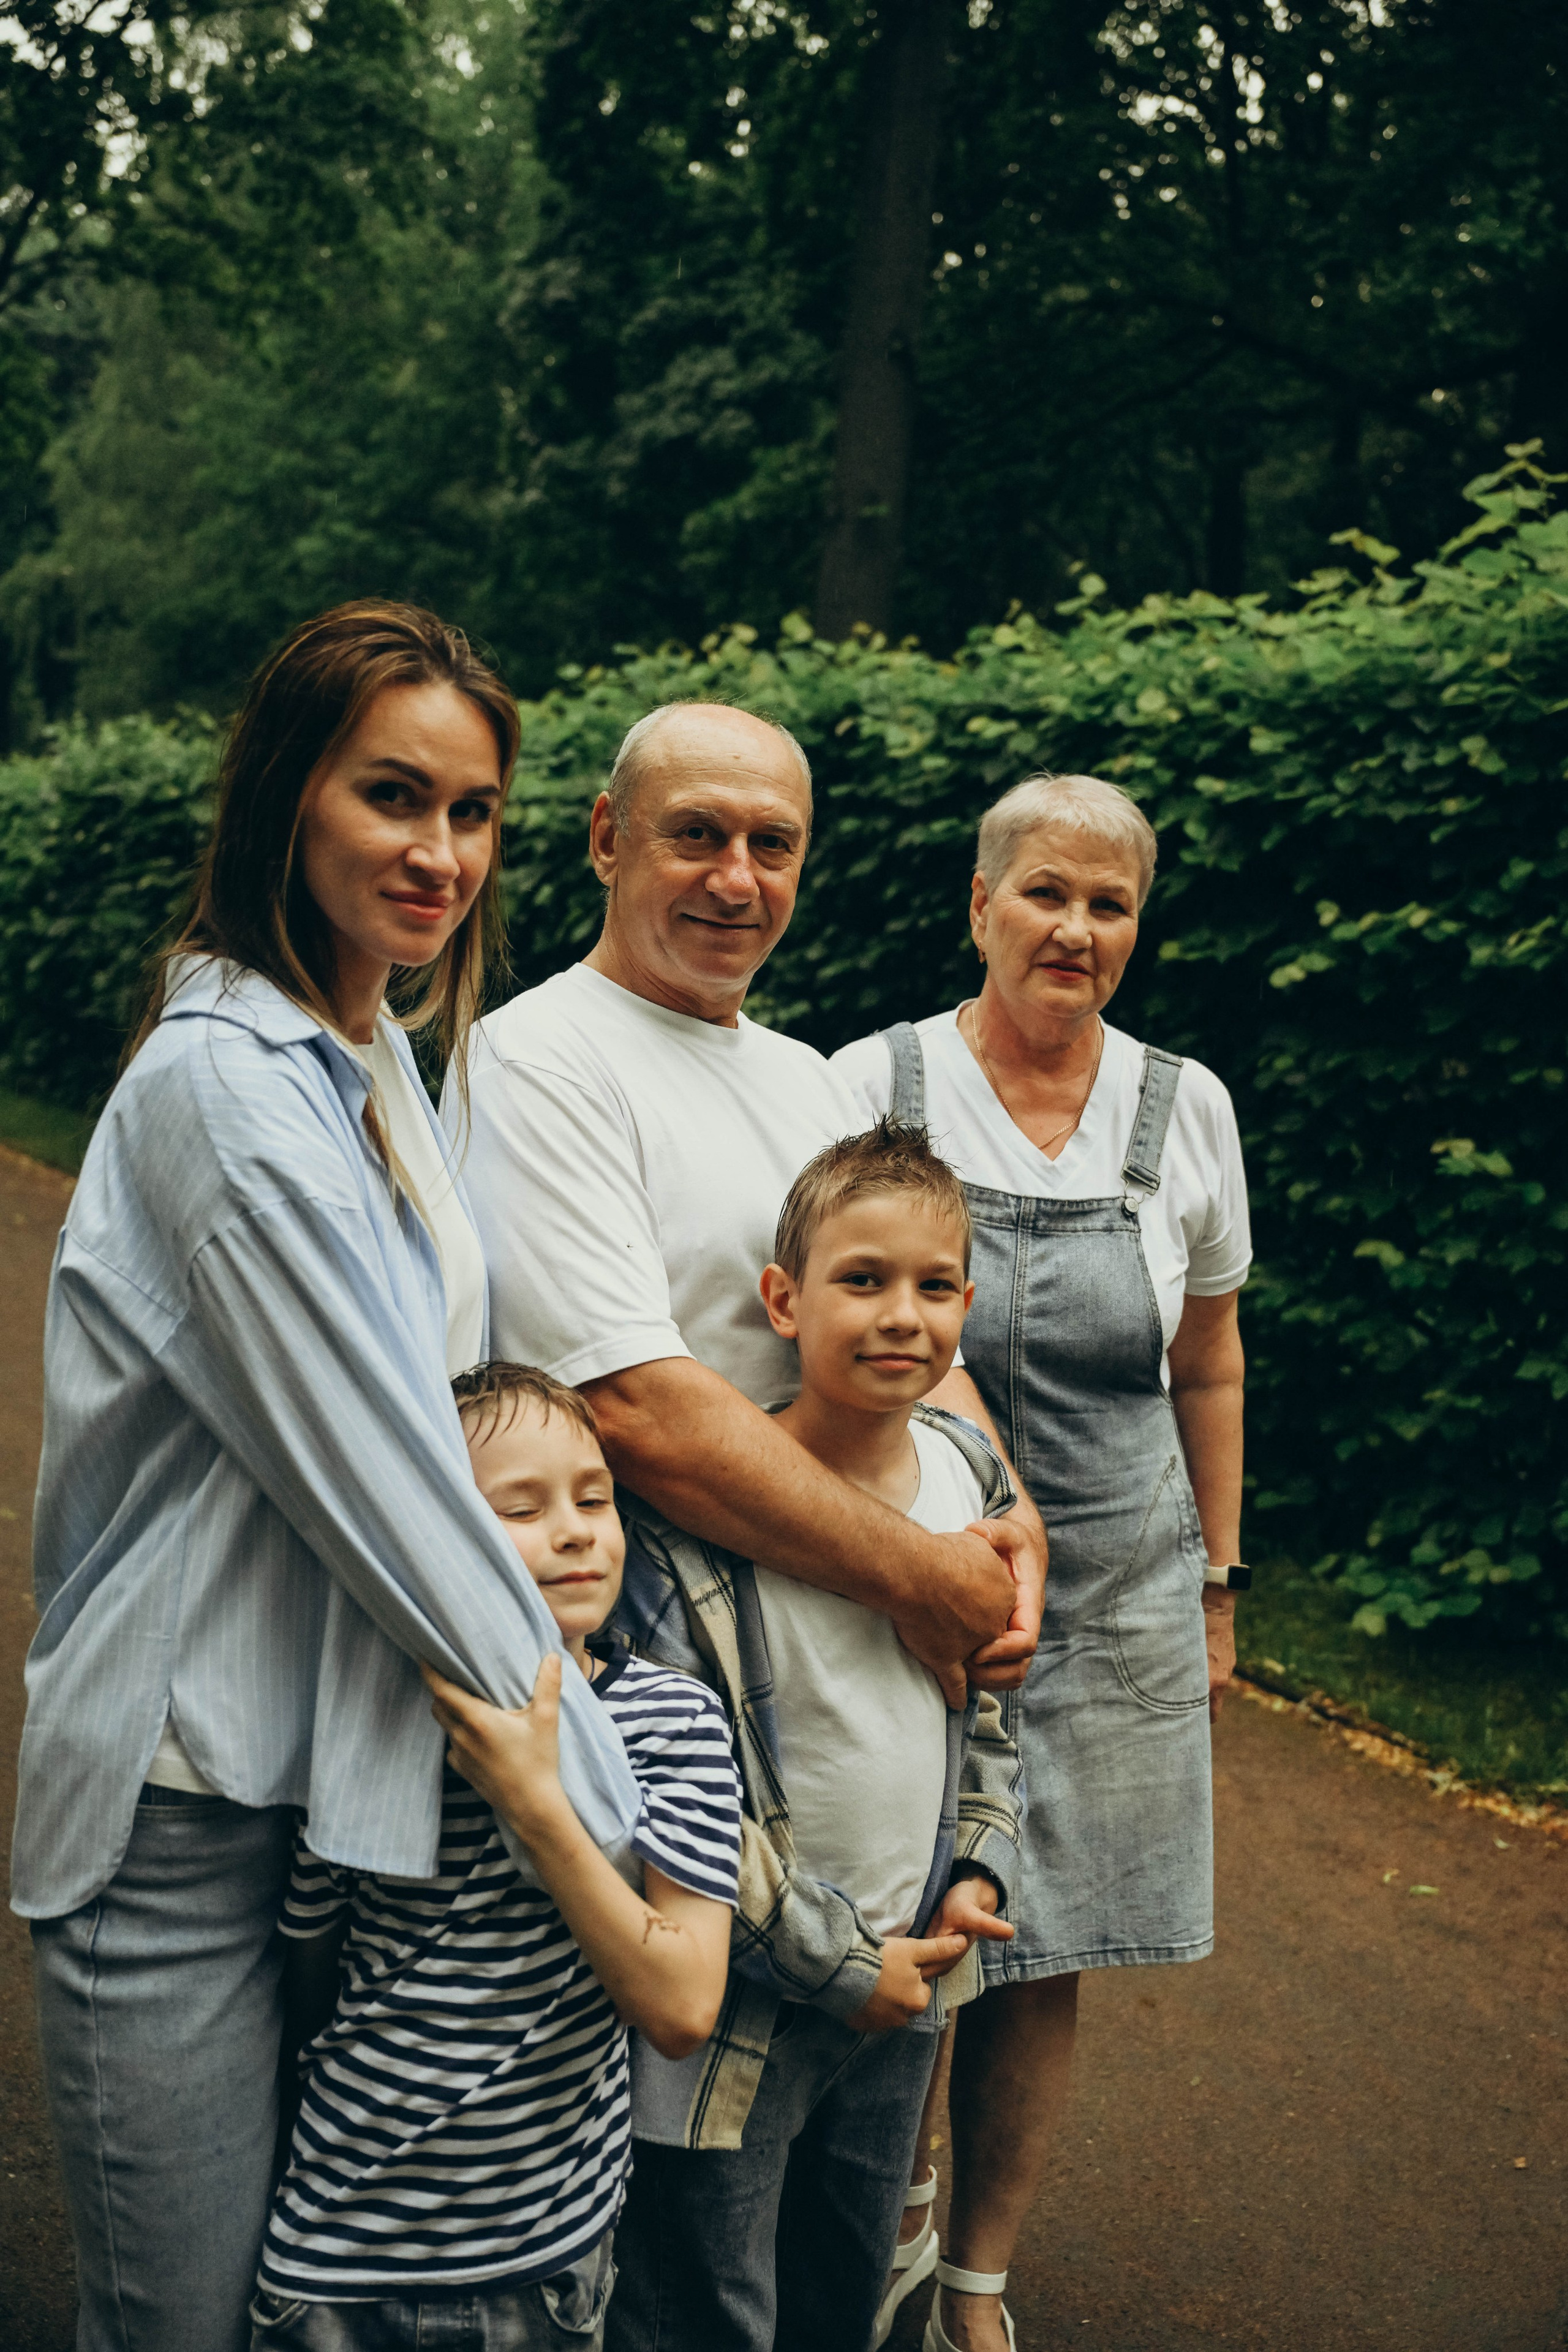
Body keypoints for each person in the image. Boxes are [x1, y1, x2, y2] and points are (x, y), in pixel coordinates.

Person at [12, 603, 642, 2352]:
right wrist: (627, 1831)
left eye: (474, 810)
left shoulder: (375, 1065)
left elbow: (484, 1421)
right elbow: (399, 1494)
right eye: (393, 796)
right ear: (289, 795)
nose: (440, 851)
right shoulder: (230, 1088)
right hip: (178, 1815)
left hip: (332, 1821)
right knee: (184, 2330)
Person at [833, 771, 1251, 2352]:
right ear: (980, 904)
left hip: (1127, 1588)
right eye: (1047, 894)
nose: (1076, 929)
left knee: (1049, 1936)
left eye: (1112, 903)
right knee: (905, 1906)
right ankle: (879, 2220)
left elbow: (1207, 1366)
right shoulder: (873, 1084)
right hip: (918, 1582)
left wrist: (1217, 1586)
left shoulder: (1183, 1105)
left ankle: (977, 2280)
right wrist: (950, 1532)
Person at [449, 700, 1046, 1720]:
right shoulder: (535, 1059)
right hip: (688, 1663)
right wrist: (924, 1575)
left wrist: (1005, 1513)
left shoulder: (813, 1081)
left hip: (865, 1644)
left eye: (773, 844)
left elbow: (914, 1328)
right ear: (608, 840)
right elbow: (633, 1409)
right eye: (697, 834)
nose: (737, 880)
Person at [606, 1120, 1022, 2352]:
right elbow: (677, 1808)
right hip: (750, 2005)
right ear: (781, 1301)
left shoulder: (963, 1480)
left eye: (933, 1286)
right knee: (705, 2305)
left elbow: (990, 1708)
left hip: (910, 1990)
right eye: (862, 1280)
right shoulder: (704, 1534)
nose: (903, 1315)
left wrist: (979, 1874)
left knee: (841, 2289)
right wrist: (840, 1966)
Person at [251, 1363, 743, 2351]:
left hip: (539, 2263)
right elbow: (308, 1964)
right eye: (521, 1508)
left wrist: (534, 1802)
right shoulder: (371, 1711)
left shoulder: (670, 1721)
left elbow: (684, 2007)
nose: (575, 1529)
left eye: (594, 1497)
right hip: (333, 2254)